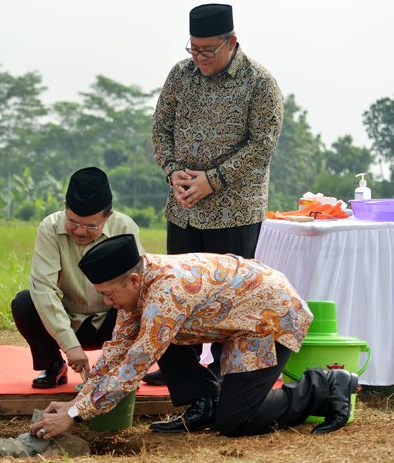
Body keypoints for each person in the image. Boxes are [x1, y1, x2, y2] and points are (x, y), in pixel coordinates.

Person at [31, 235, 359, 439]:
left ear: (132, 279)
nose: (105, 303)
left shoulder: (165, 296)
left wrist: (74, 416)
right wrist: (76, 400)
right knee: (155, 340)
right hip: (235, 319)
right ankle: (206, 403)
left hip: (268, 316)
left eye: (107, 294)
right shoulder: (138, 285)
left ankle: (325, 386)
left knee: (236, 421)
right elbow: (118, 351)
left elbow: (133, 368)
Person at [146, 3, 284, 387]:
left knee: (229, 296)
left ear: (232, 42)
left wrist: (213, 180)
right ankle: (184, 371)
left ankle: (228, 373)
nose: (200, 57)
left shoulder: (260, 83)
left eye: (208, 50)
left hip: (234, 211)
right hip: (184, 207)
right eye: (194, 48)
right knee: (178, 292)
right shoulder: (180, 74)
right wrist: (173, 172)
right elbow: (160, 130)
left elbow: (261, 147)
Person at [11, 167, 144, 388]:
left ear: (108, 216)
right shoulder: (49, 228)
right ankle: (53, 364)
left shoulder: (124, 227)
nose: (80, 232)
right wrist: (70, 345)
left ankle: (121, 367)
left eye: (91, 225)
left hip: (113, 321)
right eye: (73, 222)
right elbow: (44, 288)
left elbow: (137, 284)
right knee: (25, 302)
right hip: (68, 321)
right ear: (65, 208)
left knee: (140, 301)